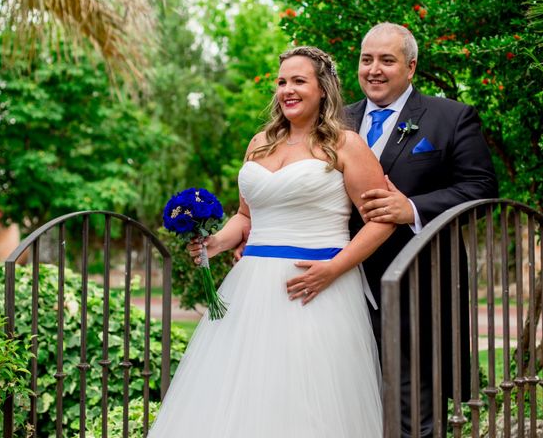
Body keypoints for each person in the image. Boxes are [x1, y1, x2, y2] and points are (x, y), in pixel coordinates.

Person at [148, 46, 395, 437]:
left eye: (299, 81)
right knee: (240, 396)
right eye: (282, 82)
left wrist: (334, 268)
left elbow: (381, 222)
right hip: (251, 289)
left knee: (307, 401)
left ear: (323, 89)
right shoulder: (259, 142)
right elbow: (247, 218)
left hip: (316, 287)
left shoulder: (346, 145)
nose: (287, 90)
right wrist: (214, 243)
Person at [346, 23, 498, 437]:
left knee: (413, 413)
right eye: (366, 59)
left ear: (411, 67)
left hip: (418, 291)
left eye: (387, 60)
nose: (374, 69)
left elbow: (481, 187)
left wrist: (411, 207)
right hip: (343, 288)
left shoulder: (450, 117)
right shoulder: (336, 120)